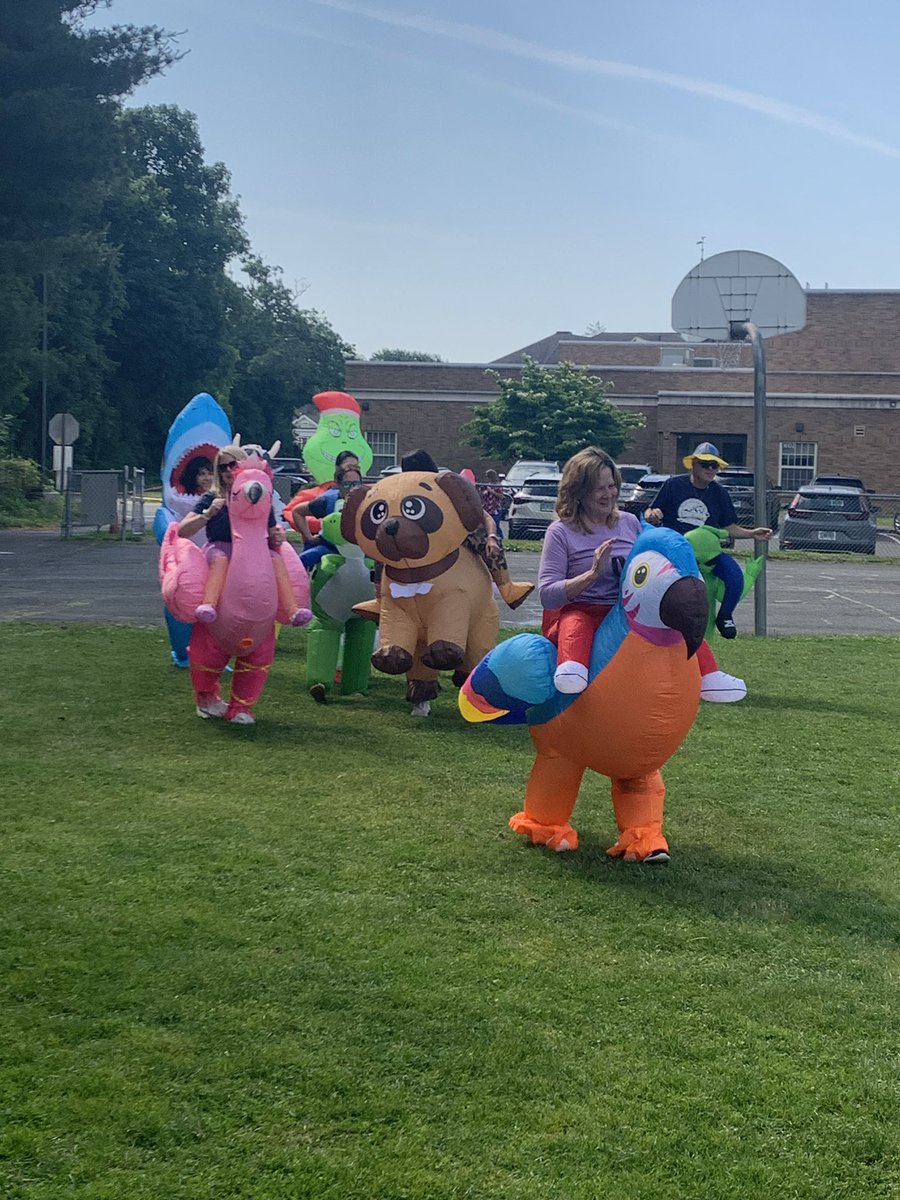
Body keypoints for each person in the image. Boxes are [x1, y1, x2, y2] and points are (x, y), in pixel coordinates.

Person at [538, 446, 641, 694]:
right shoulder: (560, 532)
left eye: (612, 486)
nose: (609, 494)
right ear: (579, 492)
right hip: (580, 612)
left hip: (622, 615)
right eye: (599, 488)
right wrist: (592, 574)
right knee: (576, 623)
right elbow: (547, 595)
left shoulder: (630, 523)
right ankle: (571, 673)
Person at [644, 441, 771, 638]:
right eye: (705, 464)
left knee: (734, 576)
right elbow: (650, 511)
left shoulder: (720, 493)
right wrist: (653, 513)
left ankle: (725, 615)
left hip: (709, 553)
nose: (711, 469)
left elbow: (728, 527)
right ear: (693, 464)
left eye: (715, 465)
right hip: (678, 552)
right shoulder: (673, 485)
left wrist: (752, 533)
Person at [177, 446, 296, 622]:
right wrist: (207, 514)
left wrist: (276, 537)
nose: (227, 470)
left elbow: (272, 533)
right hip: (220, 547)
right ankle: (209, 605)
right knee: (220, 560)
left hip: (252, 552)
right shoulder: (212, 498)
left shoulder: (260, 497)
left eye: (232, 464)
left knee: (275, 559)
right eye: (222, 467)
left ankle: (292, 609)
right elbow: (183, 530)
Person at [478, 468, 510, 541]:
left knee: (496, 525)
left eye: (488, 476)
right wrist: (483, 491)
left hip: (495, 508)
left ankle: (500, 538)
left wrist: (492, 491)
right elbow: (483, 495)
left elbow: (501, 496)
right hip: (487, 508)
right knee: (486, 525)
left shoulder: (498, 485)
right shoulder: (487, 485)